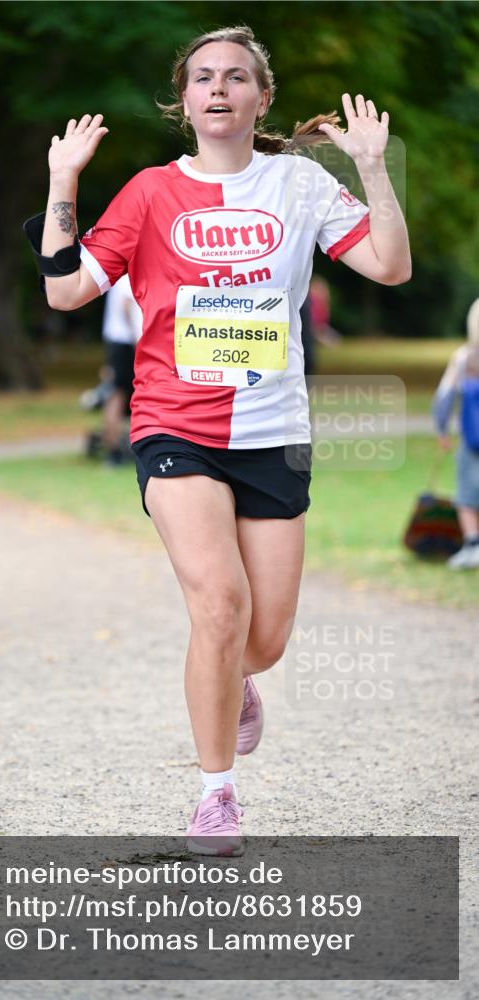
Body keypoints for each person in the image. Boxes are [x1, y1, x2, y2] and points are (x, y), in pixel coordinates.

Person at [27, 25, 410, 854]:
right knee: (219, 604)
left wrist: (372, 169)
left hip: (273, 431)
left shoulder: (298, 184)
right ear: (185, 98)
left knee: (260, 642)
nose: (219, 90)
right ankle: (215, 797)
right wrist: (63, 180)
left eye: (236, 78)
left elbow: (388, 266)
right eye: (203, 77)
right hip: (174, 424)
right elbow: (65, 292)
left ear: (260, 98)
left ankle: (234, 677)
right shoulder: (149, 192)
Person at [432, 297, 479, 570]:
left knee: (467, 494)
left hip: (472, 438)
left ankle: (473, 544)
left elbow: (445, 396)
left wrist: (441, 429)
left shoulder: (464, 358)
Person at [101, 272, 142, 465]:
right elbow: (128, 306)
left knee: (117, 393)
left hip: (116, 340)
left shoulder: (118, 275)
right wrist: (138, 340)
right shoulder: (128, 275)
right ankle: (115, 449)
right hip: (125, 341)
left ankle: (115, 448)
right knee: (118, 395)